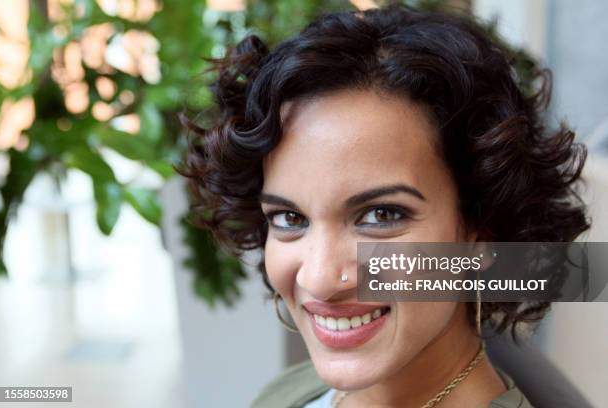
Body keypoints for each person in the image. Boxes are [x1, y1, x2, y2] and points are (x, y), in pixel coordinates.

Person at [180, 4, 589, 407]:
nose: (320, 279)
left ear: (482, 232)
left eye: (381, 215)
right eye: (290, 218)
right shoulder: (290, 393)